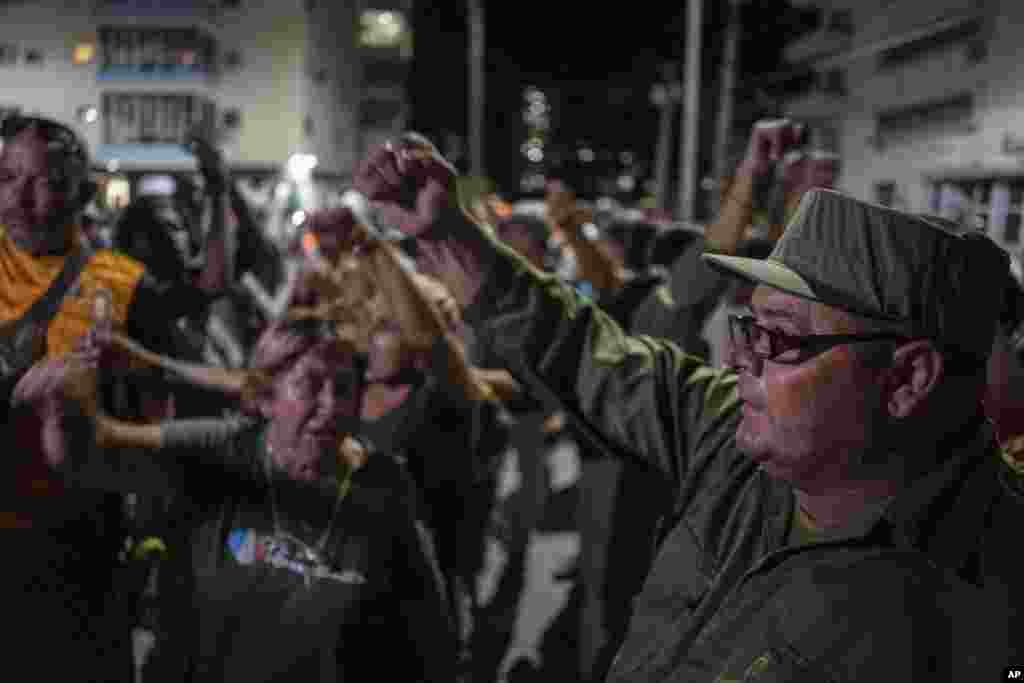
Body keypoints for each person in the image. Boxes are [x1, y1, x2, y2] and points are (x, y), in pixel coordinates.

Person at [350, 132, 1022, 681]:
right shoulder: (734, 439)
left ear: (906, 379)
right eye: (747, 327)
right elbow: (583, 352)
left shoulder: (993, 594)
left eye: (780, 339)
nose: (740, 361)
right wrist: (445, 234)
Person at [12, 277, 459, 682]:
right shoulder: (221, 450)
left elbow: (430, 640)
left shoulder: (382, 487)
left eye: (344, 389)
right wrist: (59, 407)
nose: (331, 407)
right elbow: (92, 455)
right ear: (266, 397)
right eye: (310, 385)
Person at [0, 114, 229, 679]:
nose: (21, 199)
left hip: (80, 550)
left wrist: (219, 190)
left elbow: (202, 298)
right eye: (7, 177)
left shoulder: (117, 283)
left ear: (82, 194)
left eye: (47, 182)